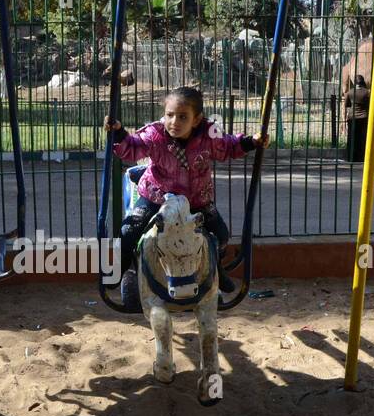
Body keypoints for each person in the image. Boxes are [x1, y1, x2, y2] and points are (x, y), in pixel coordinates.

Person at [104, 86, 267, 310]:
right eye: (170, 115)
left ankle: (216, 268)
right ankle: (117, 271)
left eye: (183, 117)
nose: (174, 122)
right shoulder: (155, 134)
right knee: (128, 231)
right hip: (157, 196)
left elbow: (228, 147)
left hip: (197, 199)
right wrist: (119, 132)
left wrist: (251, 142)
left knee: (220, 234)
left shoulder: (210, 133)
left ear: (197, 119)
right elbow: (132, 148)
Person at [344, 75, 370, 162]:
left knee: (351, 137)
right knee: (362, 138)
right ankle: (362, 157)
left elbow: (347, 105)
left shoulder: (350, 92)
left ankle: (351, 157)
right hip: (364, 117)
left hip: (352, 118)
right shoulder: (367, 92)